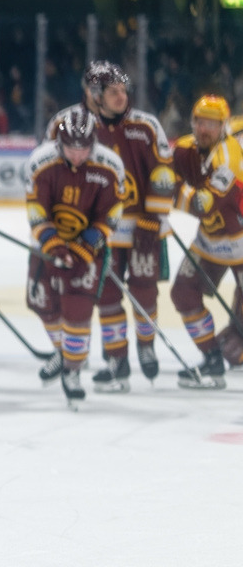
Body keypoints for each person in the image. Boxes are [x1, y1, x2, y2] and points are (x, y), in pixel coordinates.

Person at [45, 61, 175, 392]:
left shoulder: (145, 126)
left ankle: (146, 347)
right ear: (92, 94)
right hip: (97, 232)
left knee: (145, 292)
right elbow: (53, 174)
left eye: (123, 90)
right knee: (107, 297)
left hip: (143, 227)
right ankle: (118, 361)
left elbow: (162, 175)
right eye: (113, 92)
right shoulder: (67, 125)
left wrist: (154, 217)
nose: (122, 97)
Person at [25, 109, 125, 405]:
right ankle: (63, 351)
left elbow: (112, 214)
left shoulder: (110, 166)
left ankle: (72, 371)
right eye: (71, 147)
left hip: (89, 249)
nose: (78, 154)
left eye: (84, 148)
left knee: (78, 308)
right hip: (47, 245)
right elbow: (36, 211)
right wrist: (52, 245)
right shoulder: (42, 163)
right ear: (59, 143)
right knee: (42, 303)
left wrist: (84, 249)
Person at [169, 94, 243, 388]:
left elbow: (204, 205)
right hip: (209, 241)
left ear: (224, 127)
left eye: (213, 124)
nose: (205, 129)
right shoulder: (185, 148)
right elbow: (160, 173)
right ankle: (211, 358)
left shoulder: (230, 156)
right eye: (201, 122)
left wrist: (169, 192)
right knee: (182, 294)